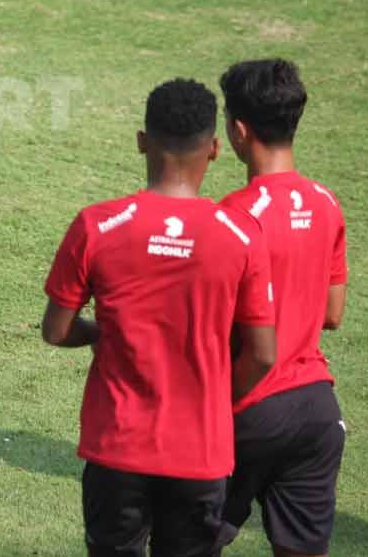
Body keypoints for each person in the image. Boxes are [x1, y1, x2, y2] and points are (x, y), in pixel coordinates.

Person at [43, 78, 276, 557]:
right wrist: (214, 399)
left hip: (116, 449)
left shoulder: (97, 225)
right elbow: (263, 354)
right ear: (213, 149)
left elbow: (56, 328)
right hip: (200, 453)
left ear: (141, 141)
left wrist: (98, 333)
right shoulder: (240, 234)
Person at [215, 59, 348, 557]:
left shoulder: (233, 215)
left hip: (246, 411)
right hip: (316, 412)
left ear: (239, 130)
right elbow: (333, 313)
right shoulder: (326, 201)